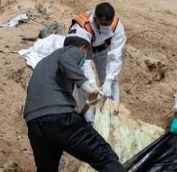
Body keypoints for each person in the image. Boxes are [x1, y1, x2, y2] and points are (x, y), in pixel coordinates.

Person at [23, 34, 123, 172]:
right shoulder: (71, 50)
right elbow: (67, 60)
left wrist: (84, 108)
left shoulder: (45, 64)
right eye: (85, 55)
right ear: (83, 48)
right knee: (104, 156)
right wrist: (88, 87)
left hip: (35, 124)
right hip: (58, 118)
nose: (83, 59)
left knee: (46, 169)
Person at [70, 3, 126, 116]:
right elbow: (83, 62)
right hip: (84, 51)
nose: (107, 26)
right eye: (104, 24)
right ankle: (87, 118)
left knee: (112, 81)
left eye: (109, 23)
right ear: (95, 18)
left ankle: (112, 111)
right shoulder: (81, 27)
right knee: (83, 83)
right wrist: (91, 83)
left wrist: (109, 80)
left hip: (103, 50)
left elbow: (116, 55)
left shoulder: (116, 25)